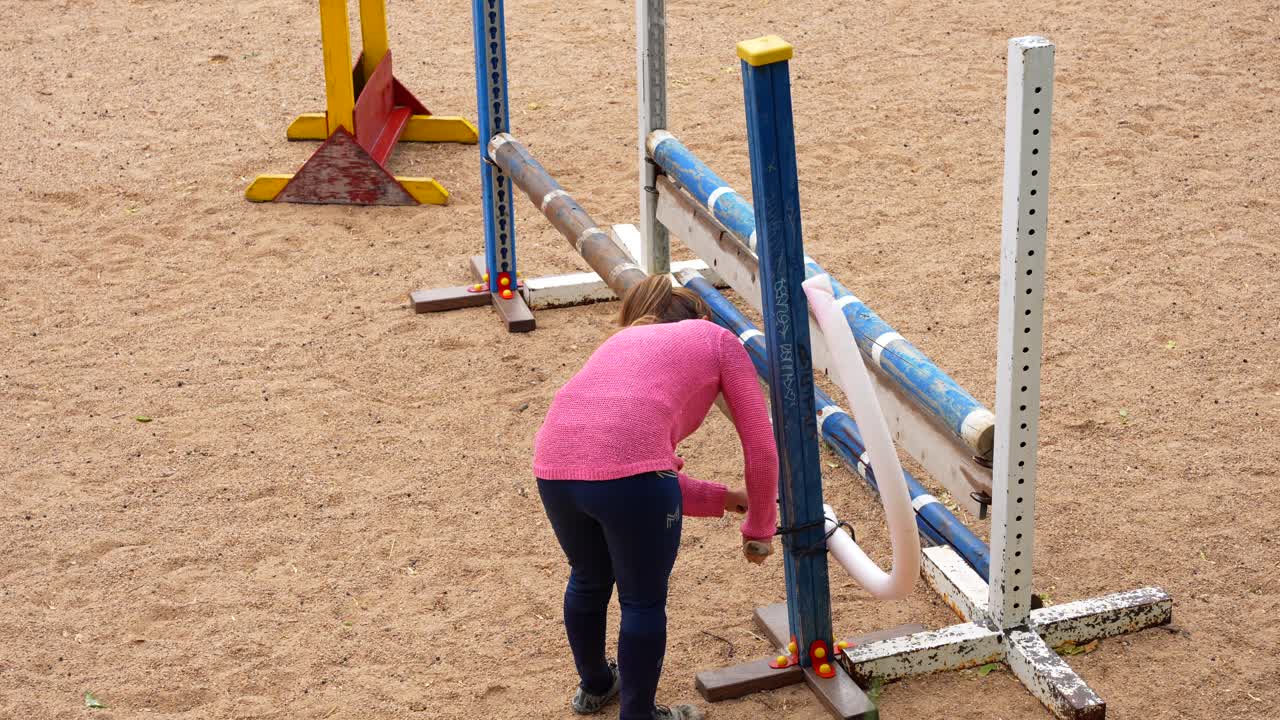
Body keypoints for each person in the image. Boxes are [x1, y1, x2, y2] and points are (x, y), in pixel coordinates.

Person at [533, 274, 780, 720]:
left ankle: (595, 687)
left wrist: (728, 499)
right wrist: (760, 527)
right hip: (632, 479)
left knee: (588, 578)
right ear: (700, 316)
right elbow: (760, 446)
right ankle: (639, 715)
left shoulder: (621, 342)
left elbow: (630, 470)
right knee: (643, 601)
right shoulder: (718, 339)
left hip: (554, 465)